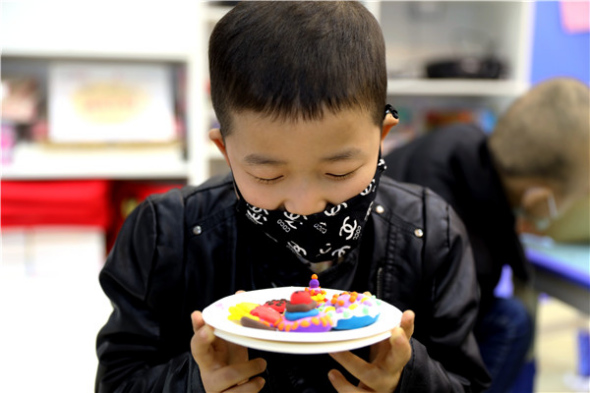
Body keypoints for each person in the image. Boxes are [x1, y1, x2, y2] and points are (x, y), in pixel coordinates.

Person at [95, 2, 491, 392]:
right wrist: (195, 383)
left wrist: (407, 380)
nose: (305, 205)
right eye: (267, 175)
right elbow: (118, 381)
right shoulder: (165, 235)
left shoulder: (429, 232)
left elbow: (467, 382)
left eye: (338, 172)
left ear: (382, 138)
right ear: (225, 151)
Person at [383, 77, 590, 393]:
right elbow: (444, 336)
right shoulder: (461, 245)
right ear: (538, 199)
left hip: (393, 307)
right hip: (401, 336)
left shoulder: (463, 140)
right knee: (513, 321)